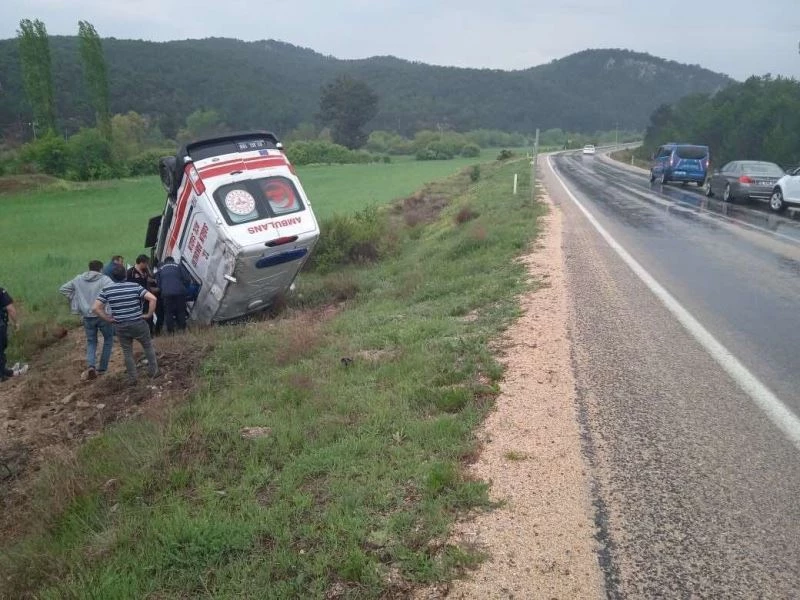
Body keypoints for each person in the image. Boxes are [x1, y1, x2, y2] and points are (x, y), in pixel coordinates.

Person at [94, 265, 159, 385]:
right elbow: (153, 299)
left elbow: (96, 308)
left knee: (127, 352)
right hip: (138, 322)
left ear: (112, 277)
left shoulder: (107, 290)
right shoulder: (134, 286)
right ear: (125, 275)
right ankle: (154, 371)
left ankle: (133, 378)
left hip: (120, 325)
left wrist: (108, 319)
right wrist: (148, 314)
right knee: (148, 346)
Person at [59, 260, 115, 379]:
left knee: (91, 342)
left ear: (89, 268)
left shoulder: (79, 279)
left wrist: (76, 299)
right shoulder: (105, 279)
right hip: (102, 314)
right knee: (108, 339)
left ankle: (91, 366)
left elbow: (63, 289)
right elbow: (113, 292)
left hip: (87, 316)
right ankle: (103, 368)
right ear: (101, 269)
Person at [156, 256, 191, 333]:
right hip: (179, 293)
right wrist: (183, 287)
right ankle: (182, 329)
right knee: (181, 311)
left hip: (166, 294)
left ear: (165, 262)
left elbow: (158, 285)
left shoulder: (160, 269)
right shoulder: (178, 266)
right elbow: (187, 279)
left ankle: (171, 332)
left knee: (169, 312)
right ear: (173, 261)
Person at [127, 254, 156, 333]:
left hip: (146, 296)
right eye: (146, 263)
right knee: (138, 316)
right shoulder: (130, 272)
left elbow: (147, 278)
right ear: (141, 263)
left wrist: (153, 281)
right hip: (136, 299)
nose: (147, 265)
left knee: (150, 315)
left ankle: (150, 332)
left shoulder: (145, 270)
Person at [0, 285, 20, 382]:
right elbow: (10, 308)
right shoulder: (1, 291)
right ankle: (2, 374)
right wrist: (16, 322)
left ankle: (5, 371)